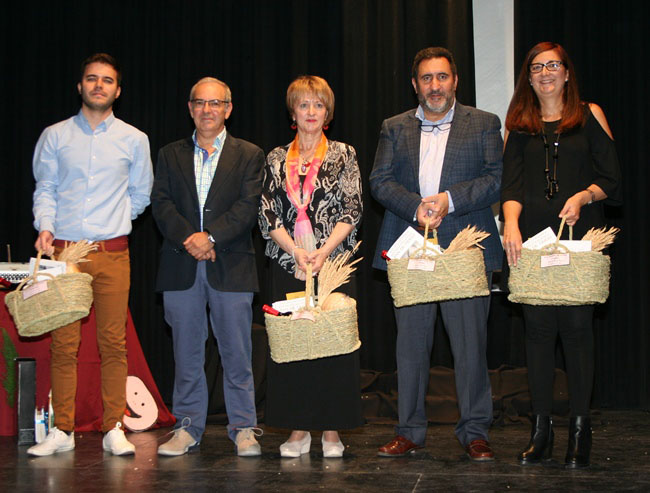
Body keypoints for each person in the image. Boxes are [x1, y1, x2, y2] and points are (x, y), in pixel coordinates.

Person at [370, 47, 503, 461]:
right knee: (410, 347)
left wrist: (447, 200)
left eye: (442, 77)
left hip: (466, 247)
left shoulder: (483, 123)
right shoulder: (394, 127)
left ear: (455, 80)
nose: (435, 86)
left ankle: (475, 431)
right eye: (426, 78)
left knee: (470, 347)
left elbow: (495, 179)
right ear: (415, 85)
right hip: (412, 252)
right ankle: (409, 431)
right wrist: (416, 206)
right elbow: (379, 180)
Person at [501, 41, 622, 468]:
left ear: (567, 73)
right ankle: (541, 430)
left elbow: (613, 180)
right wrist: (510, 223)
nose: (546, 72)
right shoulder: (518, 124)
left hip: (578, 238)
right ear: (529, 77)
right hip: (532, 242)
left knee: (575, 330)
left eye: (553, 65)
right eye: (537, 67)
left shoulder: (590, 115)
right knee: (536, 333)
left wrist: (585, 195)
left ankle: (579, 428)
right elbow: (510, 188)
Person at [28, 53, 153, 456]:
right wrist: (46, 225)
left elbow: (141, 195)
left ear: (118, 90)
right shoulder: (55, 135)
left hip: (114, 252)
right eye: (92, 79)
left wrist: (115, 221)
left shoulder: (134, 139)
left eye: (107, 80)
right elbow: (44, 187)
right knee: (64, 344)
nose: (99, 85)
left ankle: (113, 426)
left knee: (112, 343)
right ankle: (61, 429)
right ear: (79, 86)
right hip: (65, 254)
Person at [151, 77, 265, 457]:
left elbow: (248, 207)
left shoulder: (249, 154)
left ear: (228, 109)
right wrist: (192, 239)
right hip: (180, 264)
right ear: (190, 107)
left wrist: (211, 238)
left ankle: (244, 428)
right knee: (186, 353)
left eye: (215, 103)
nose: (207, 110)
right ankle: (186, 428)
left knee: (236, 352)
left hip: (230, 264)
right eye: (200, 102)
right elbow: (161, 204)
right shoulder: (169, 154)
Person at [258, 75, 363, 458]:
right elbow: (266, 213)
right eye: (304, 105)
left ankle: (332, 431)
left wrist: (321, 251)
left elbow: (354, 209)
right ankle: (298, 429)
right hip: (289, 262)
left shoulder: (344, 154)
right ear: (293, 111)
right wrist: (297, 251)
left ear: (327, 112)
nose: (311, 112)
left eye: (318, 105)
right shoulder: (274, 158)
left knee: (333, 346)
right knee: (294, 346)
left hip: (332, 264)